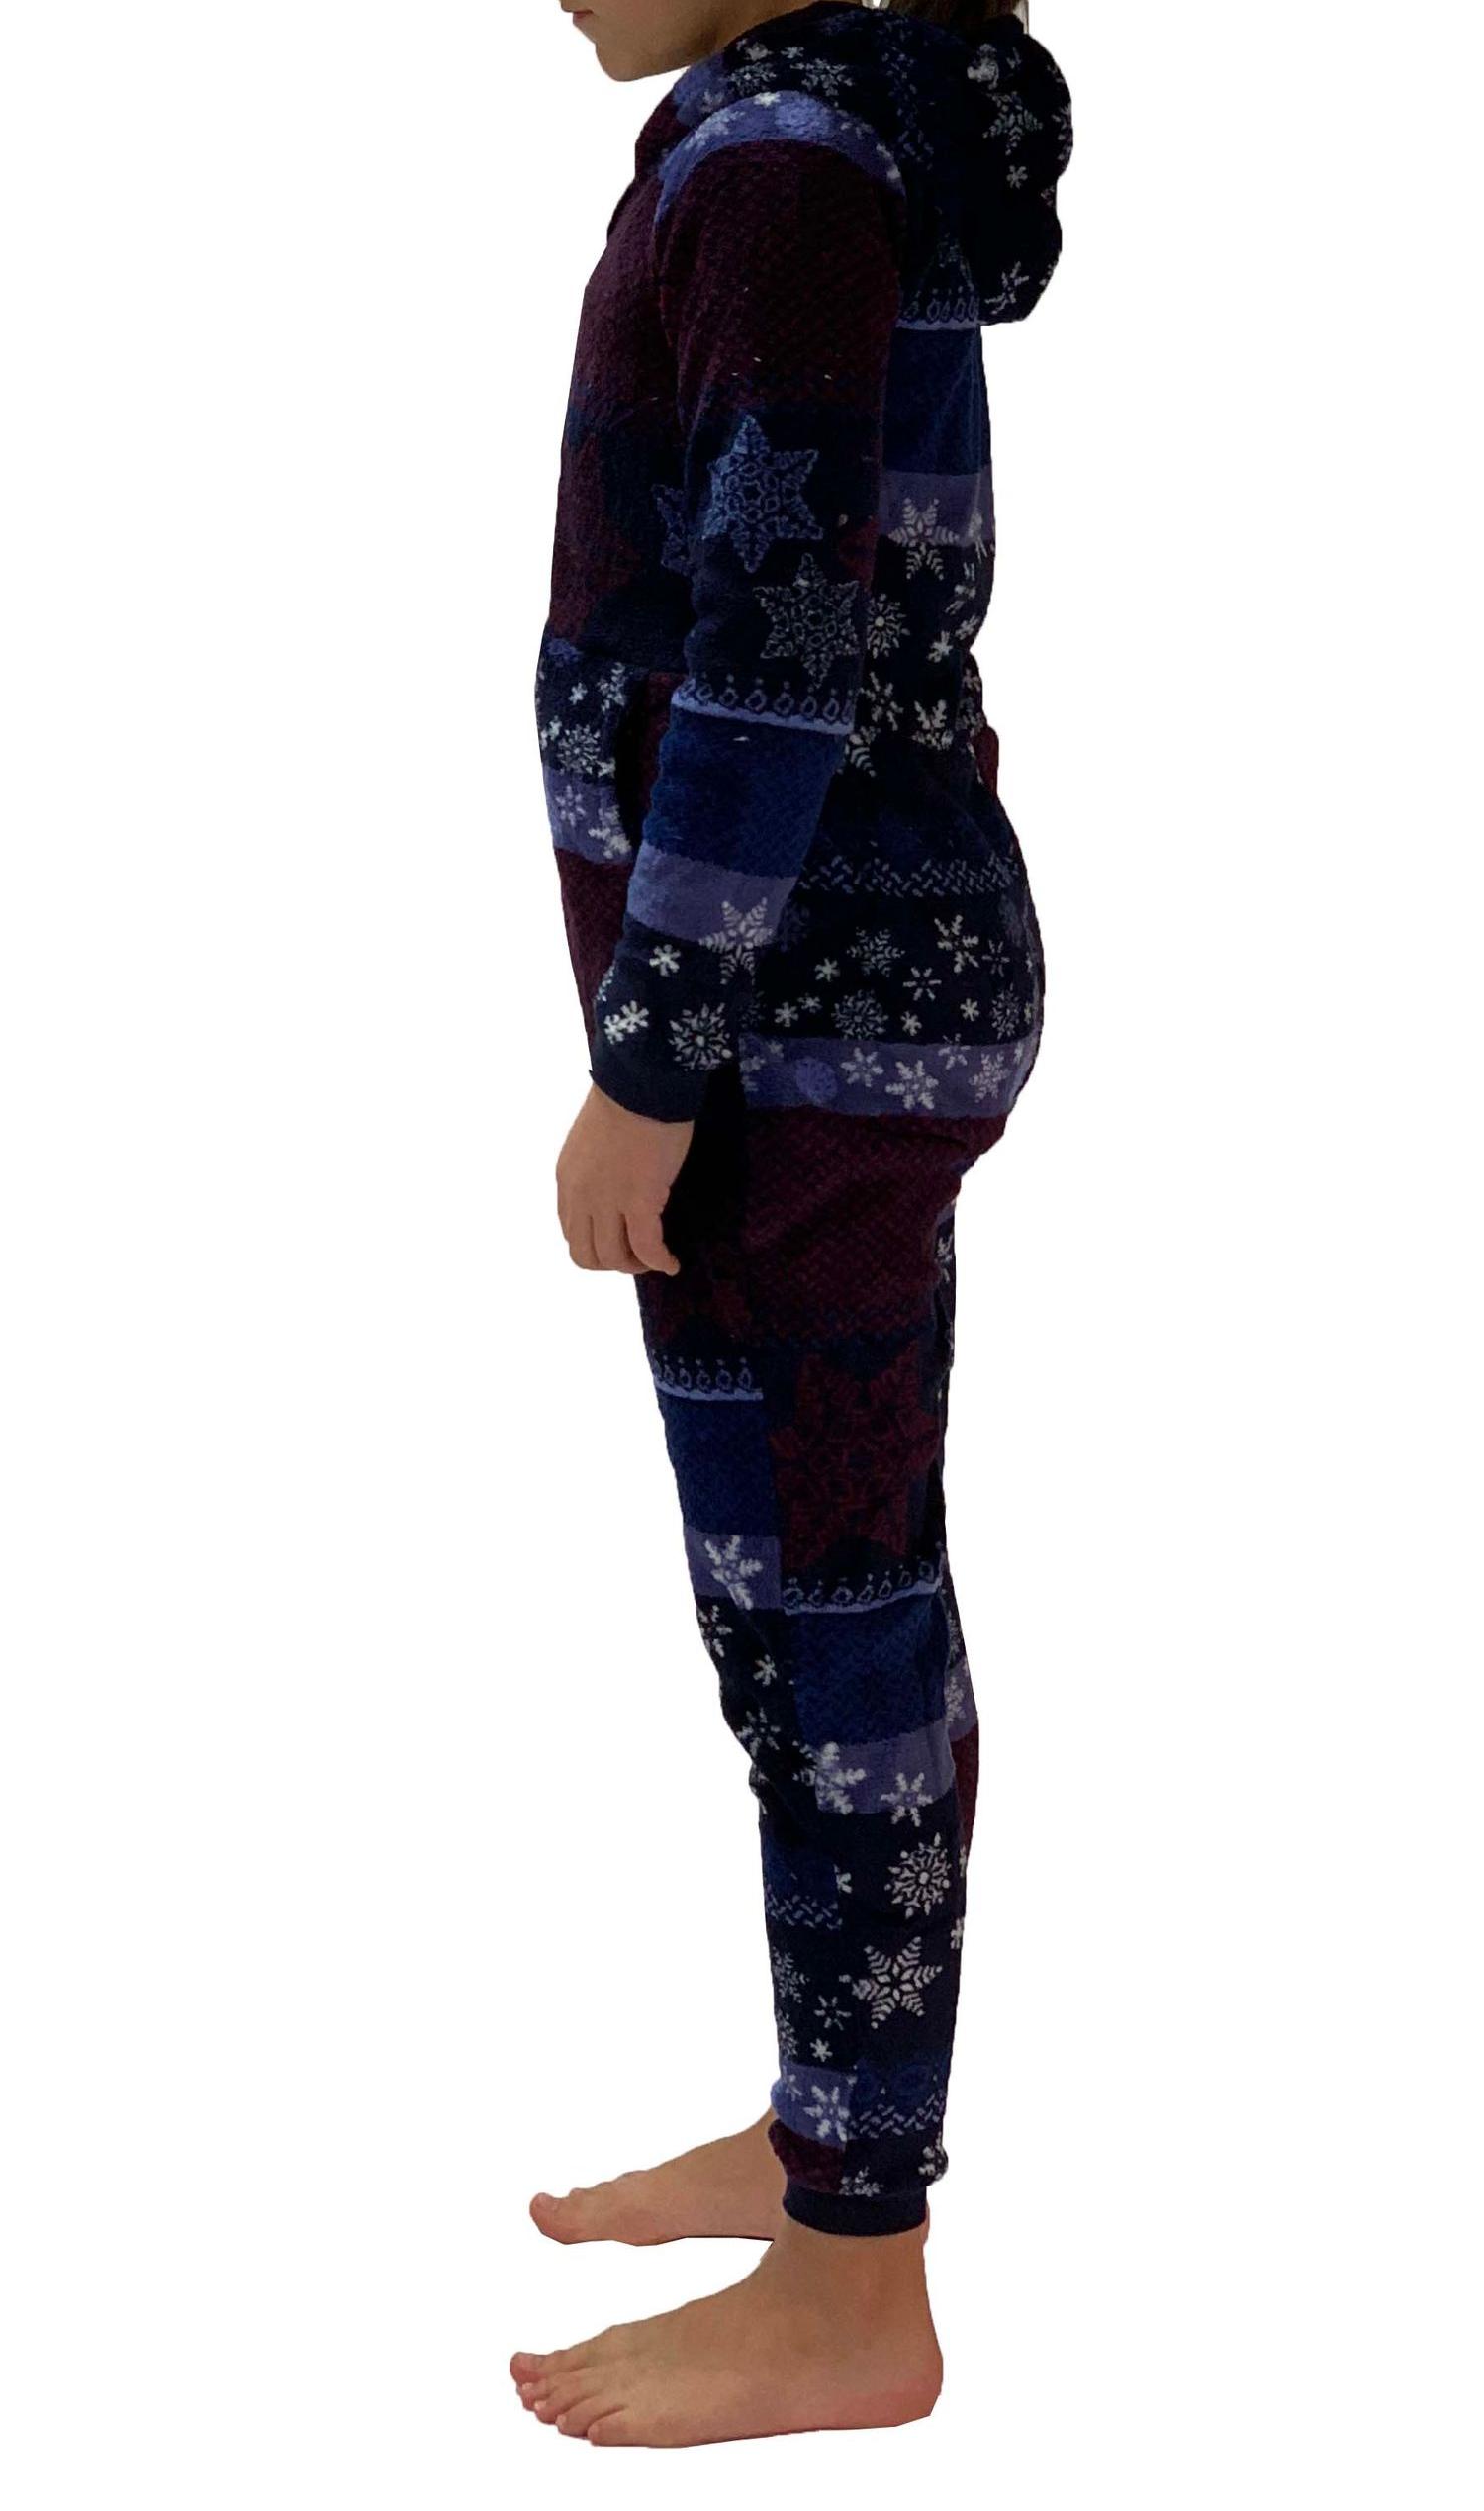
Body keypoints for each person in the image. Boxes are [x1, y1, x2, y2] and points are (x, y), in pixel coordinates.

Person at [514, 0, 1072, 2447]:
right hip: (827, 1004)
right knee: (813, 1619)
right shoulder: (794, 146)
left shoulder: (782, 167)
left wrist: (649, 1066)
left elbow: (778, 651)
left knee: (831, 1628)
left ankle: (859, 2279)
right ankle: (830, 2132)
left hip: (792, 1034)